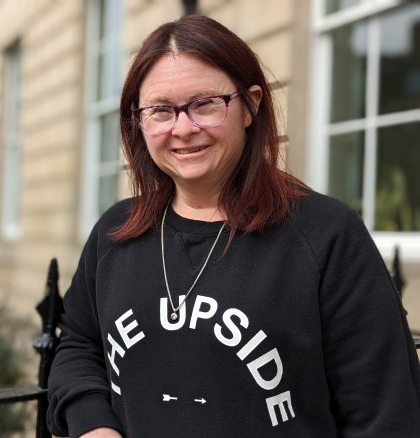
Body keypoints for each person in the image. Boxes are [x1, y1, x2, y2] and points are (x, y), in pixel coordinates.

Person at [47, 15, 420, 438]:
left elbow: (385, 417)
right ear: (139, 121)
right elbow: (78, 344)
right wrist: (93, 425)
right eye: (161, 110)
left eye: (205, 103)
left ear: (251, 105)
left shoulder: (326, 236)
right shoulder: (116, 231)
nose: (183, 129)